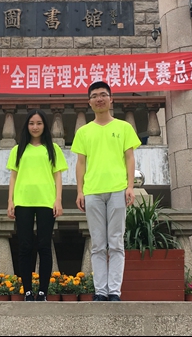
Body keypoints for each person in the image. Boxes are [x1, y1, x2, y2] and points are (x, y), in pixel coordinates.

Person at [71, 81, 141, 302]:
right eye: (94, 96)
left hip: (118, 190)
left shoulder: (124, 127)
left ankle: (114, 292)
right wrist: (80, 191)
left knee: (116, 242)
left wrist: (130, 187)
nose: (99, 99)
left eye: (103, 95)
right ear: (89, 102)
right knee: (98, 244)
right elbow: (80, 163)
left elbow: (130, 158)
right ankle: (100, 291)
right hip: (92, 191)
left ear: (111, 99)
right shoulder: (83, 132)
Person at [6, 109, 68, 302]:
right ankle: (27, 291)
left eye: (39, 123)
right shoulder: (18, 149)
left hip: (46, 202)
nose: (35, 127)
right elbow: (13, 176)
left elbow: (58, 176)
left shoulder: (53, 149)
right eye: (31, 123)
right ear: (27, 126)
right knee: (24, 246)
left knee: (44, 245)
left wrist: (58, 200)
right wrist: (10, 201)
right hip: (23, 201)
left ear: (44, 126)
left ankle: (42, 291)